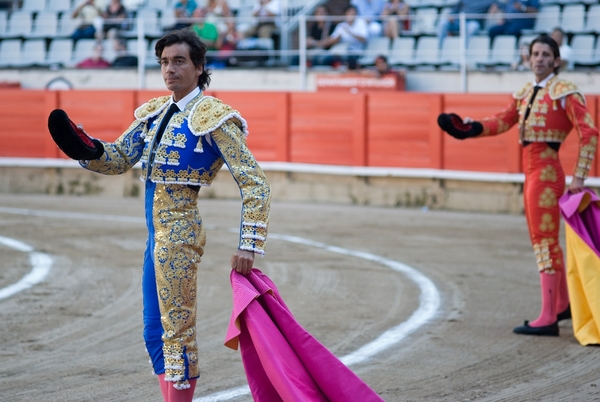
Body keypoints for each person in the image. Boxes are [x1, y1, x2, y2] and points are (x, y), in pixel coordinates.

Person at [48, 28, 271, 401]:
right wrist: (83, 147)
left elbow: (256, 183)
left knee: (176, 328)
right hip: (155, 236)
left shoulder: (214, 117)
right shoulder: (154, 112)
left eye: (179, 61)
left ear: (199, 67)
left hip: (181, 233)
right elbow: (118, 159)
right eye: (164, 62)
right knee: (154, 330)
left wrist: (249, 245)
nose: (170, 69)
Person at [438, 35, 598, 337]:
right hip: (531, 171)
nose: (539, 58)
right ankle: (561, 304)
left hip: (547, 173)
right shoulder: (525, 92)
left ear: (556, 60)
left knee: (544, 242)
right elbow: (503, 120)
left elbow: (590, 132)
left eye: (545, 54)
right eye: (535, 53)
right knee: (543, 239)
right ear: (528, 58)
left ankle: (548, 317)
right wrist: (468, 129)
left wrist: (579, 177)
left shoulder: (565, 92)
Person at [326, 5, 369, 70]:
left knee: (347, 57)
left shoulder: (361, 23)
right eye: (349, 13)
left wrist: (350, 32)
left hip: (355, 52)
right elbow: (330, 41)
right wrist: (337, 39)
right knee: (323, 58)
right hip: (340, 51)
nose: (351, 15)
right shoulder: (341, 26)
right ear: (345, 14)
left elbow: (364, 39)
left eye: (353, 13)